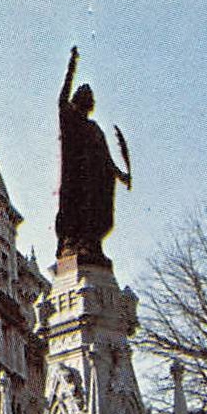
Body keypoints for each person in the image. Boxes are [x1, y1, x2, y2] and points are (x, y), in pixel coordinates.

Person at [56, 46, 132, 265]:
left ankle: (91, 244)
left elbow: (106, 158)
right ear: (79, 99)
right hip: (76, 180)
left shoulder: (94, 128)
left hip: (96, 182)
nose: (92, 101)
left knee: (101, 214)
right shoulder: (69, 118)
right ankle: (73, 244)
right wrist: (72, 66)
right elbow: (62, 97)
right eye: (89, 97)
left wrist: (121, 176)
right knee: (76, 212)